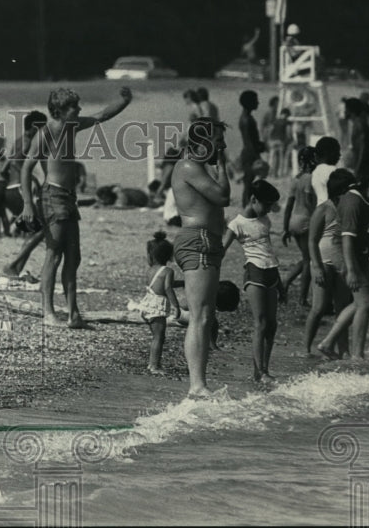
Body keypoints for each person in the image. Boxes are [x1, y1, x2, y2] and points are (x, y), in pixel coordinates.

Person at [19, 86, 133, 328]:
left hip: (69, 198)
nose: (79, 109)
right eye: (74, 107)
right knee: (54, 254)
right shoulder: (46, 133)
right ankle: (48, 313)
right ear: (59, 110)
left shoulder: (72, 126)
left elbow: (102, 115)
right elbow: (26, 169)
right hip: (52, 197)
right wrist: (28, 204)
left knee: (74, 256)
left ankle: (73, 314)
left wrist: (125, 100)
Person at [171, 117, 231, 397]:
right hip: (198, 240)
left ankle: (199, 383)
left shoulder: (196, 167)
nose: (222, 146)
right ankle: (197, 384)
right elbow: (222, 196)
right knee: (201, 316)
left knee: (205, 314)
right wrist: (222, 167)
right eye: (218, 141)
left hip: (206, 240)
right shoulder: (188, 166)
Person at [316, 165, 369, 361]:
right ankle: (355, 355)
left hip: (358, 255)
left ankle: (329, 344)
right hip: (345, 254)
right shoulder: (353, 201)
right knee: (365, 302)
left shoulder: (361, 199)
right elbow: (346, 238)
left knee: (363, 302)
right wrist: (350, 270)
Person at [223, 180, 285, 383]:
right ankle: (261, 371)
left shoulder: (265, 220)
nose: (268, 209)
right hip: (255, 273)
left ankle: (261, 370)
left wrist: (281, 284)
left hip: (271, 272)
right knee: (260, 323)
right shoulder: (237, 224)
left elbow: (269, 251)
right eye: (266, 205)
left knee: (272, 325)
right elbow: (222, 249)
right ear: (253, 199)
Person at [304, 169, 356, 357]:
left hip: (341, 263)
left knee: (342, 308)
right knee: (318, 308)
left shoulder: (349, 209)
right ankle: (306, 348)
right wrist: (316, 266)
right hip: (322, 262)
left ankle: (342, 350)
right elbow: (312, 240)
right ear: (340, 192)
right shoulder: (324, 208)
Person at [1, 111, 48, 275]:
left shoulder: (20, 140)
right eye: (42, 128)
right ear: (35, 127)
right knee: (42, 229)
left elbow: (6, 165)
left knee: (32, 229)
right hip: (18, 189)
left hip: (11, 188)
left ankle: (16, 269)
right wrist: (31, 180)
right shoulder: (28, 142)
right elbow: (16, 163)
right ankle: (13, 265)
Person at [137, 231, 181, 375]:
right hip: (157, 305)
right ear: (169, 256)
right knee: (159, 337)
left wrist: (182, 283)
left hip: (147, 303)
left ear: (151, 255)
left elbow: (159, 285)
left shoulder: (151, 270)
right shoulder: (168, 271)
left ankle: (153, 363)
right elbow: (167, 287)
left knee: (157, 336)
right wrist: (176, 306)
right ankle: (154, 365)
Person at [280, 147, 318, 307]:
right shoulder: (310, 178)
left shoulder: (295, 179)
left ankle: (286, 281)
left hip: (294, 221)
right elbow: (310, 201)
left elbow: (288, 205)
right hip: (306, 221)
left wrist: (285, 228)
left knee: (306, 258)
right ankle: (302, 298)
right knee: (309, 260)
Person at [238, 90, 264, 208]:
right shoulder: (247, 120)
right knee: (249, 185)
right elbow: (249, 142)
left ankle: (247, 208)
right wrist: (258, 157)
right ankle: (246, 209)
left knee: (249, 184)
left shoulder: (246, 118)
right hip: (250, 155)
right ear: (250, 103)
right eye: (255, 100)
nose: (258, 103)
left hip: (249, 154)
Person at [311, 136, 342, 206]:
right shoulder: (333, 171)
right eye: (337, 152)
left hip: (320, 209)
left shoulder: (315, 172)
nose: (340, 155)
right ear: (331, 154)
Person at [268, 108, 291, 179]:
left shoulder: (275, 121)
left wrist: (269, 139)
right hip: (281, 141)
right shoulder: (286, 122)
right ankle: (279, 173)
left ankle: (269, 172)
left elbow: (270, 130)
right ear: (286, 115)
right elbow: (288, 133)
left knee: (272, 158)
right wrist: (289, 140)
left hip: (273, 140)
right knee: (281, 158)